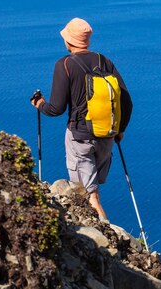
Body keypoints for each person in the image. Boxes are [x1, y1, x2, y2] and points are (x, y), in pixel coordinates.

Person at [31, 17, 132, 221]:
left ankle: (106, 244)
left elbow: (56, 109)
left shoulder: (65, 65)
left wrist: (39, 104)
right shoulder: (104, 61)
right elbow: (127, 101)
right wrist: (120, 130)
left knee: (89, 194)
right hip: (107, 136)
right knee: (93, 190)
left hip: (80, 138)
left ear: (69, 40)